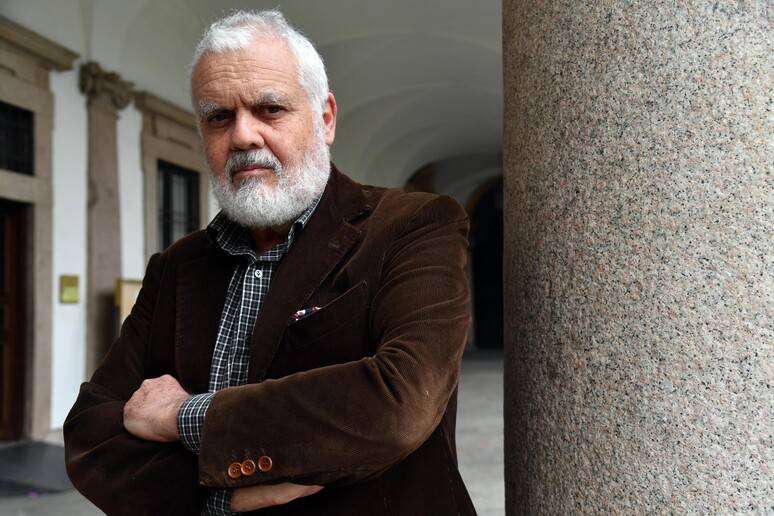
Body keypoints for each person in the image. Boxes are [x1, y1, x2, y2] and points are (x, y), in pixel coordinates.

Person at [64, 9, 476, 515]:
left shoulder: (413, 226)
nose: (243, 135)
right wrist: (221, 496)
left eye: (270, 109)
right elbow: (89, 434)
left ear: (325, 118)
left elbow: (400, 404)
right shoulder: (177, 266)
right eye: (219, 117)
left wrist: (183, 417)